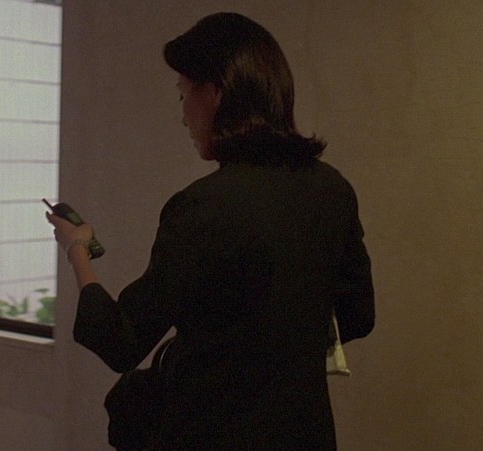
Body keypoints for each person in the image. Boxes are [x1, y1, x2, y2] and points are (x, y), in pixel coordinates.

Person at [47, 12, 374, 450]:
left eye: (184, 94)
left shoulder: (204, 206)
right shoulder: (332, 189)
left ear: (216, 93)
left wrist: (77, 249)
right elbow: (358, 316)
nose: (183, 116)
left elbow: (120, 339)